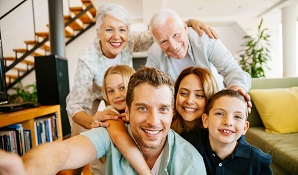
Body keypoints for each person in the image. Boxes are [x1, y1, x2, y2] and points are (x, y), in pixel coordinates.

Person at [65, 3, 216, 174]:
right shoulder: (88, 59)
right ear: (98, 32)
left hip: (122, 92)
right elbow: (75, 105)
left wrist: (188, 23)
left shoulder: (129, 40)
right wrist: (94, 121)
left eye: (122, 29)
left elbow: (160, 32)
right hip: (93, 96)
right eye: (109, 30)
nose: (117, 36)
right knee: (84, 134)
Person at [0, 67, 203, 175]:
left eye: (163, 109)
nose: (153, 121)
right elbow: (64, 152)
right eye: (142, 108)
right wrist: (24, 169)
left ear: (172, 114)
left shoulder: (190, 163)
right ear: (127, 112)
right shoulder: (111, 131)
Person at [145, 9, 252, 111]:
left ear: (185, 28)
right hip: (180, 111)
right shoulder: (155, 52)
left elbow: (231, 70)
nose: (173, 46)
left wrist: (236, 91)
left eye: (176, 35)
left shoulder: (205, 40)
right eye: (163, 41)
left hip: (211, 104)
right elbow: (147, 83)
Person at [182, 89, 272, 175]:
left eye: (238, 117)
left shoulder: (258, 161)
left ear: (245, 127)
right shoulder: (188, 143)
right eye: (220, 113)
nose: (228, 122)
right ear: (205, 120)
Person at [171, 66, 218, 134]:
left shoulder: (217, 133)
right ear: (175, 95)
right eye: (183, 93)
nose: (189, 101)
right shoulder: (164, 125)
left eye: (199, 95)